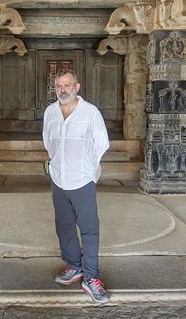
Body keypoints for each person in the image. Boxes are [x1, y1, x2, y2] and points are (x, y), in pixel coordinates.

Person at [42, 68, 110, 304]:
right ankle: (73, 265)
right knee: (64, 225)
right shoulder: (50, 112)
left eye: (67, 85)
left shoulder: (90, 113)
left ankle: (91, 277)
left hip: (81, 180)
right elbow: (48, 142)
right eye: (59, 86)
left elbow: (102, 143)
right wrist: (57, 165)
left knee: (89, 229)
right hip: (58, 178)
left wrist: (87, 169)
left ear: (77, 87)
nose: (63, 90)